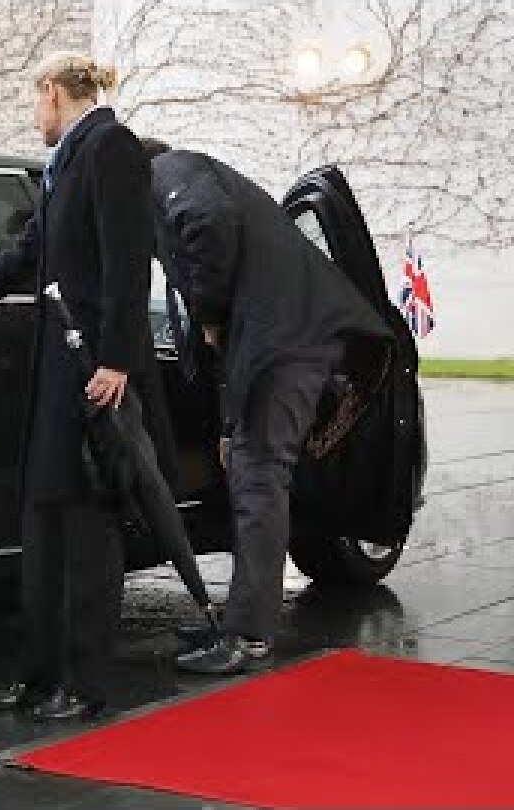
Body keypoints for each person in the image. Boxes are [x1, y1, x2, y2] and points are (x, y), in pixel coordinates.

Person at [0, 52, 176, 719]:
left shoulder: (110, 148)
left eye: (35, 104)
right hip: (60, 372)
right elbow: (24, 256)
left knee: (86, 531)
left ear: (54, 93)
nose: (34, 119)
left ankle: (82, 686)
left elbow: (126, 257)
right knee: (45, 525)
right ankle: (38, 676)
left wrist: (117, 359)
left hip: (92, 373)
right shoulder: (69, 162)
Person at [143, 145, 393, 674]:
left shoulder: (169, 169)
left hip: (290, 342)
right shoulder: (182, 183)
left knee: (259, 477)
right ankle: (240, 616)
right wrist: (229, 424)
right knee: (246, 469)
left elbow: (206, 220)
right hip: (275, 343)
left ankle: (250, 634)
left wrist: (207, 312)